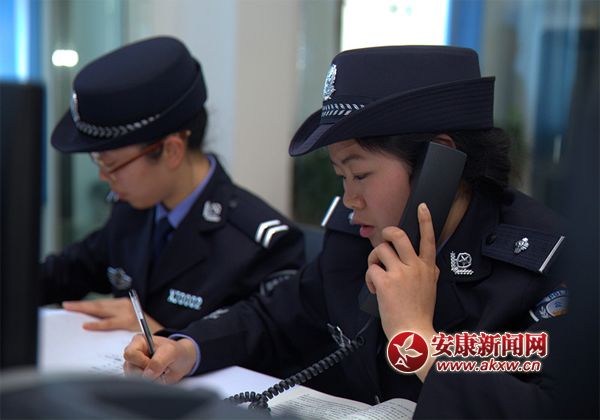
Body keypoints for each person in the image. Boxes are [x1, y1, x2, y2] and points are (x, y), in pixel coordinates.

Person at [123, 46, 568, 417]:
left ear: (440, 161)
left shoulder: (547, 266)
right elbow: (277, 316)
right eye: (341, 177)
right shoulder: (360, 236)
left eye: (360, 175)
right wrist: (187, 349)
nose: (350, 199)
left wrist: (419, 337)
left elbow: (550, 408)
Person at [41, 36, 305, 333]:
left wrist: (163, 338)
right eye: (98, 162)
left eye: (111, 164)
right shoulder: (135, 212)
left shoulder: (257, 245)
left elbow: (273, 349)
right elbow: (66, 272)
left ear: (171, 151)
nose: (104, 177)